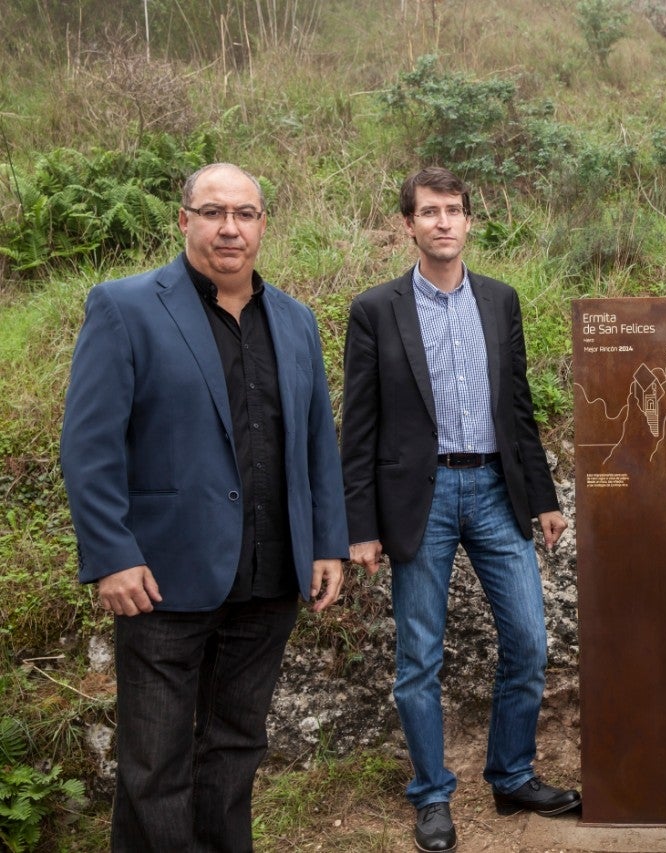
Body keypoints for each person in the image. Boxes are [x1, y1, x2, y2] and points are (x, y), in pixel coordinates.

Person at [60, 163, 348, 851]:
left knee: (236, 746)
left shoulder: (296, 320)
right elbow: (89, 443)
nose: (230, 227)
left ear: (262, 225)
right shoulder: (125, 307)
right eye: (213, 211)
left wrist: (327, 540)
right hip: (162, 577)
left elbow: (315, 441)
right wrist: (113, 554)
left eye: (245, 213)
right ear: (184, 219)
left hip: (269, 576)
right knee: (154, 762)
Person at [341, 166, 578, 853]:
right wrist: (360, 526)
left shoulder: (501, 301)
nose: (443, 221)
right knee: (418, 656)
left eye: (453, 210)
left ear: (470, 221)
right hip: (423, 498)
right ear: (408, 225)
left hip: (498, 491)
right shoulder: (376, 309)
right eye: (429, 211)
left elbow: (519, 408)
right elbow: (357, 427)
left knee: (530, 641)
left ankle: (511, 773)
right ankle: (432, 795)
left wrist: (546, 497)